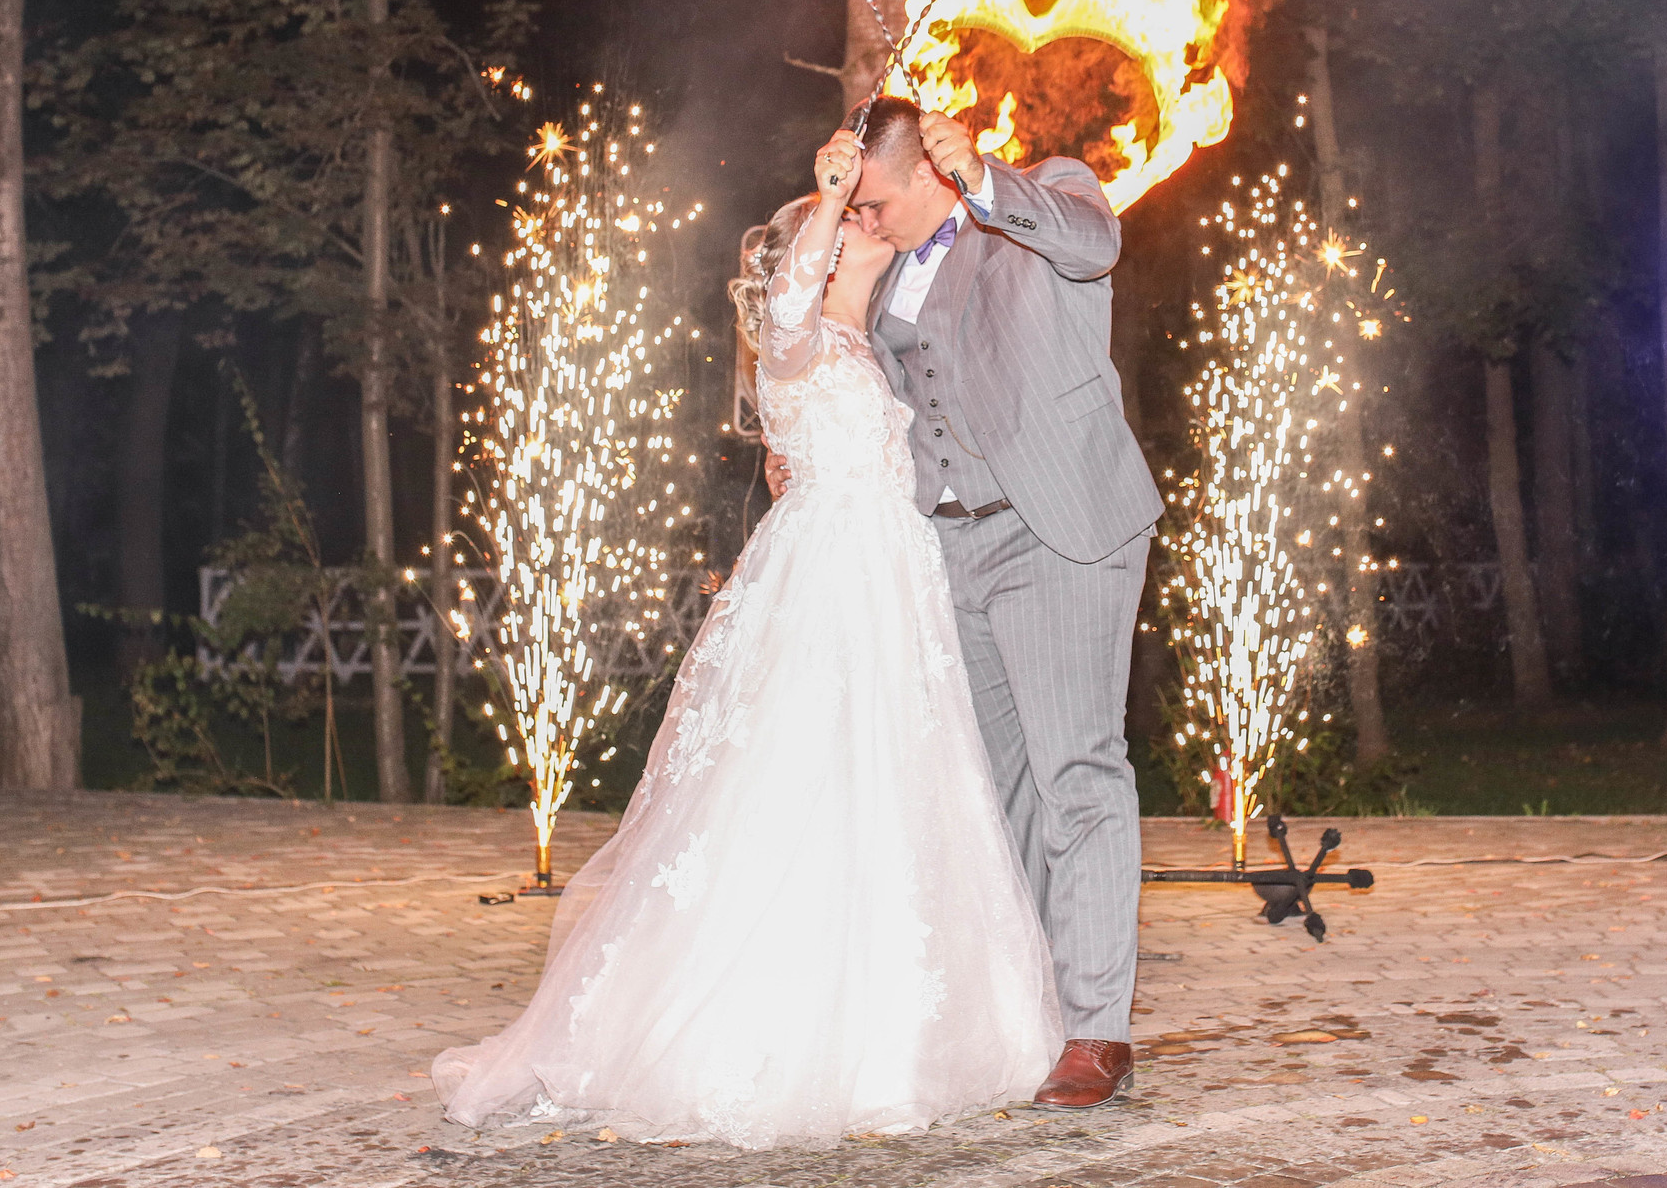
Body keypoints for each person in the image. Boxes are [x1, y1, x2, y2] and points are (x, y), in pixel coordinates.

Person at [433, 131, 1061, 1148]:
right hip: (827, 587)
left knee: (895, 790)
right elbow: (784, 305)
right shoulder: (796, 341)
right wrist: (827, 195)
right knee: (802, 782)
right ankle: (779, 1030)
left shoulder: (869, 351)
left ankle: (900, 1029)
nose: (864, 226)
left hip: (894, 586)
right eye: (848, 224)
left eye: (863, 216)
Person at [841, 95, 1164, 1109]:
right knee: (997, 787)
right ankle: (1031, 1008)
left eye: (879, 199)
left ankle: (1095, 1032)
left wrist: (984, 180)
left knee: (1078, 773)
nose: (872, 217)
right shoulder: (882, 256)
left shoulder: (1043, 193)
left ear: (932, 169)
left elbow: (1094, 238)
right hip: (946, 538)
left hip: (1055, 526)